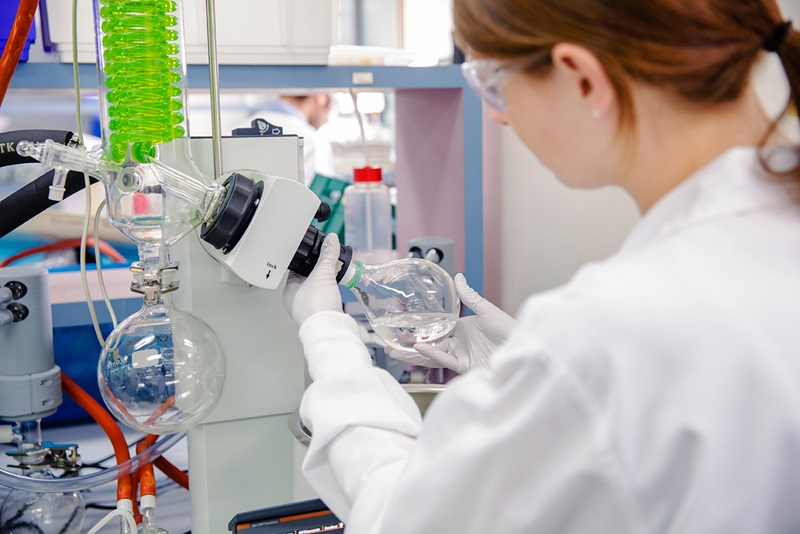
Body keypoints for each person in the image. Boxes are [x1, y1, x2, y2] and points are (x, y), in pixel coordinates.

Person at [282, 1, 800, 531]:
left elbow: (402, 518)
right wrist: (525, 371)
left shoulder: (612, 330)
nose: (496, 114)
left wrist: (329, 340)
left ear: (581, 79)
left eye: (492, 81)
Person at [247, 94, 336, 186]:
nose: (327, 119)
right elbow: (321, 196)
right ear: (321, 98)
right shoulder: (311, 140)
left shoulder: (236, 128)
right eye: (329, 111)